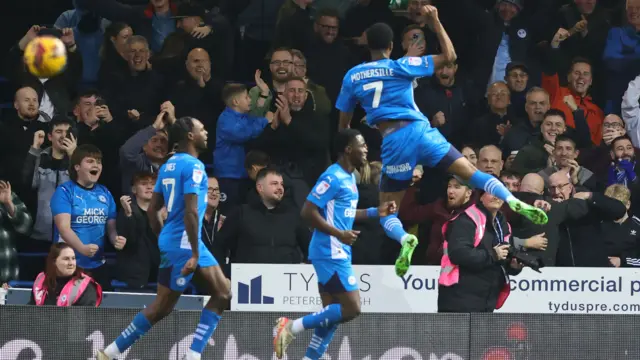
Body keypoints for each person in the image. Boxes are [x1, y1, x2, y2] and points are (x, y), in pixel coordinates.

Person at [335, 6, 548, 277]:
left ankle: (405, 240)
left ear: (367, 44)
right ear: (391, 45)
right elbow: (450, 56)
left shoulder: (352, 76)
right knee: (474, 175)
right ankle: (510, 198)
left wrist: (361, 132)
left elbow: (343, 126)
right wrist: (435, 20)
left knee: (389, 211)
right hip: (421, 131)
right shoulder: (401, 65)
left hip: (393, 141)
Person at [97, 117, 231, 360]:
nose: (206, 132)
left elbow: (152, 210)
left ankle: (112, 352)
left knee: (174, 304)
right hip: (185, 243)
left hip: (174, 240)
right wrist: (193, 253)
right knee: (210, 296)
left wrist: (163, 239)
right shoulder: (195, 167)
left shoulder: (168, 165)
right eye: (202, 129)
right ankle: (190, 355)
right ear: (190, 135)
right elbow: (191, 212)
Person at [272, 129, 395, 359]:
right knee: (351, 308)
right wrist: (339, 234)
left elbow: (345, 213)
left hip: (336, 250)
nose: (366, 149)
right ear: (348, 149)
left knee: (331, 317)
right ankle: (289, 328)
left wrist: (376, 212)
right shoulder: (332, 177)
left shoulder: (349, 178)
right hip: (329, 251)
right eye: (362, 144)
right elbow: (307, 212)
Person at [30, 243, 102, 307]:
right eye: (66, 259)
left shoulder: (86, 286)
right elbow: (30, 311)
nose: (71, 263)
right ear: (54, 262)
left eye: (73, 258)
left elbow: (84, 319)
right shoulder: (41, 280)